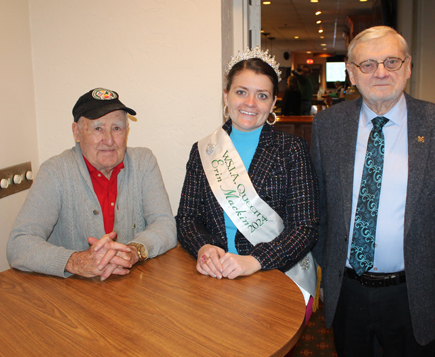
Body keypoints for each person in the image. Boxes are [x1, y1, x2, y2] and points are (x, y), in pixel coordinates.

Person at [311, 26, 435, 356]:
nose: (381, 72)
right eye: (368, 64)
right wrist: (324, 274)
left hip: (416, 295)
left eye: (391, 61)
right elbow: (320, 209)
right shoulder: (328, 126)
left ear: (408, 67)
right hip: (347, 292)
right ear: (351, 72)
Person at [176, 46, 319, 321]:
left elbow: (305, 227)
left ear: (273, 102)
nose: (250, 103)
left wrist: (255, 260)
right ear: (226, 96)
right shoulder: (203, 150)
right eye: (241, 92)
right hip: (213, 276)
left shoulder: (291, 149)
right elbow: (187, 217)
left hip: (275, 276)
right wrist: (205, 248)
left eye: (262, 95)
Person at [7, 88, 177, 280]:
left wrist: (134, 251)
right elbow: (18, 245)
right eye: (98, 129)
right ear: (76, 132)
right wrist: (75, 261)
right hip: (71, 295)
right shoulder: (54, 172)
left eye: (117, 128)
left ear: (126, 132)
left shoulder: (143, 162)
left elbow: (165, 225)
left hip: (131, 289)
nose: (109, 140)